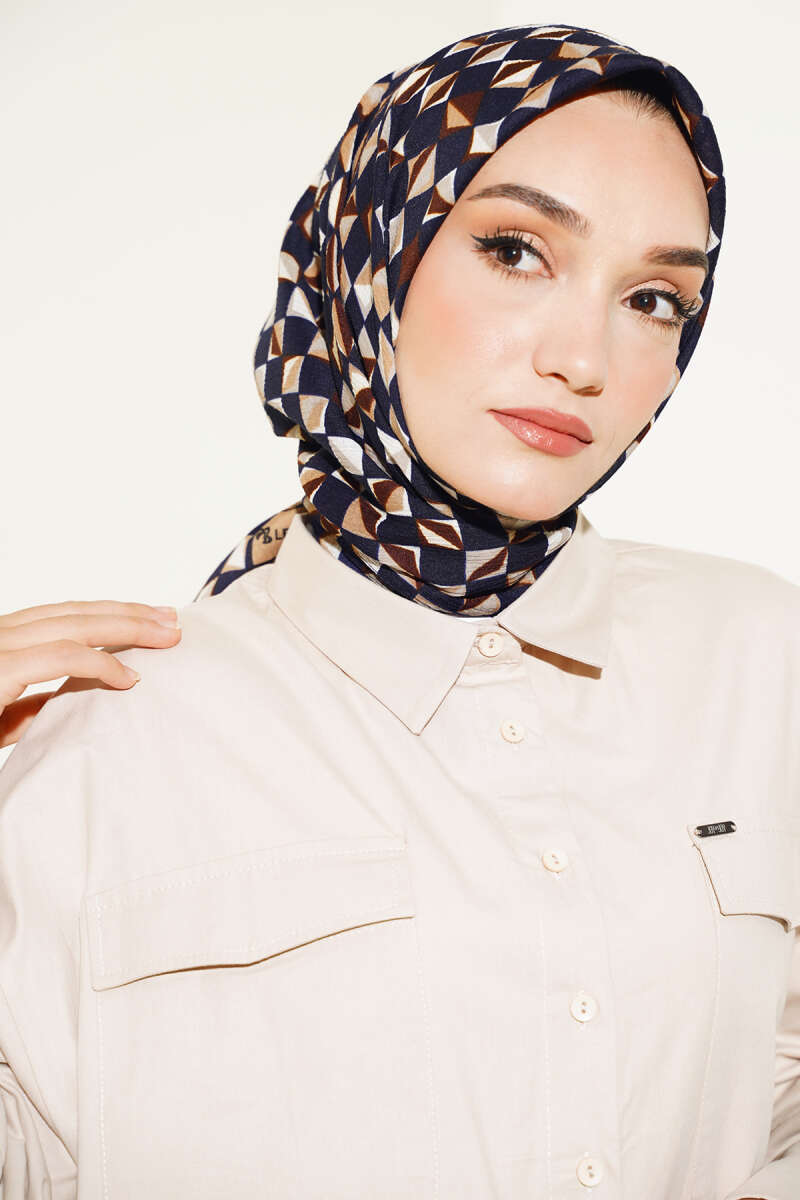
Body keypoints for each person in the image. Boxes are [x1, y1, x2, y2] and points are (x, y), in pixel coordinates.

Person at [0, 22, 793, 1200]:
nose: (583, 358)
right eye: (515, 250)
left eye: (652, 298)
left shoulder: (760, 663)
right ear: (374, 252)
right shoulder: (102, 733)